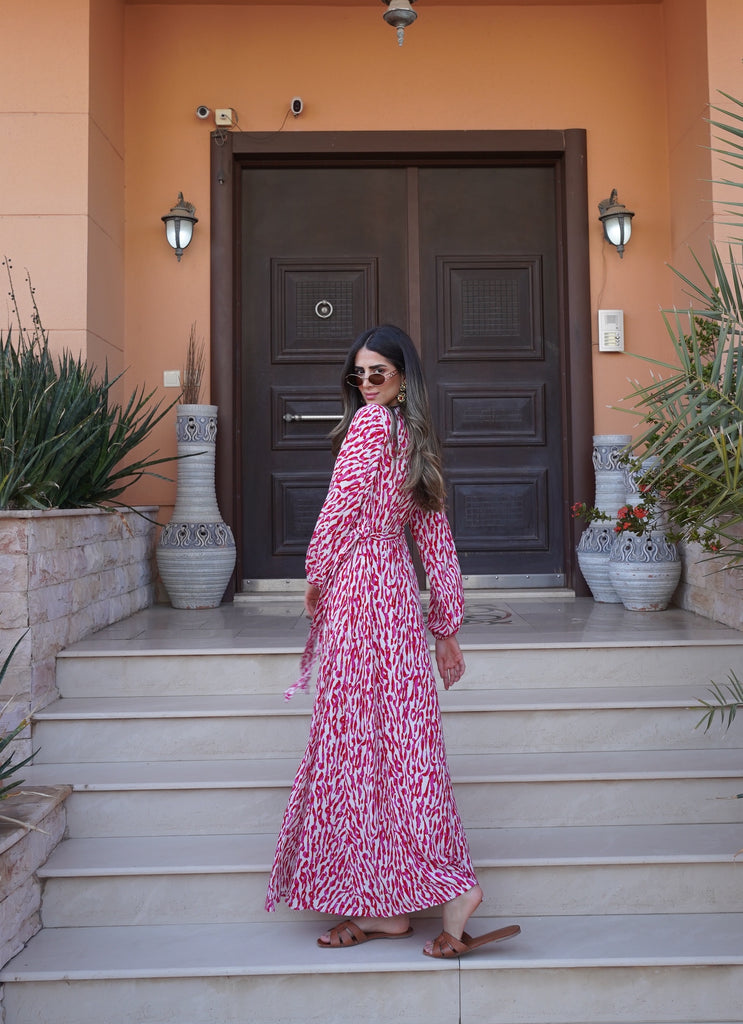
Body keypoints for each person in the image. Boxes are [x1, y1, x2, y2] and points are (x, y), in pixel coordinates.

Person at [265, 324, 520, 959]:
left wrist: (317, 574)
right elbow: (436, 542)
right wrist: (447, 628)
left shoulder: (369, 429)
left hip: (359, 591)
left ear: (403, 378)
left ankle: (427, 892)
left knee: (357, 746)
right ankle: (394, 908)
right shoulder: (413, 439)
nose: (368, 383)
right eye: (359, 375)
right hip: (397, 599)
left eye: (378, 372)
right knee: (402, 748)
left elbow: (337, 508)